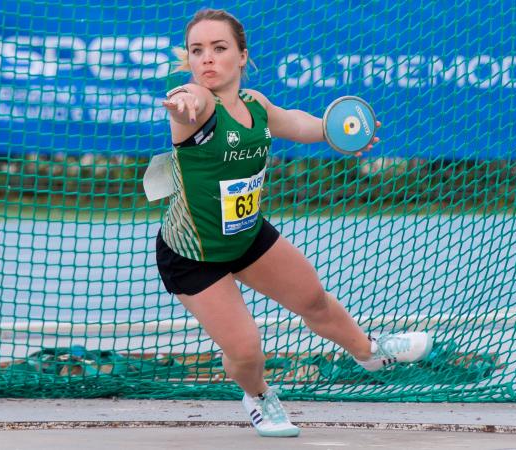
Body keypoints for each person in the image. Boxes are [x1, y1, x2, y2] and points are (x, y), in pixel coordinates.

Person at [155, 8, 432, 438]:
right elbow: (191, 100)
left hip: (247, 235)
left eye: (219, 48)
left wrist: (332, 130)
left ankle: (369, 352)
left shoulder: (256, 106)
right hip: (194, 256)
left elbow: (295, 123)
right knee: (247, 353)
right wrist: (185, 99)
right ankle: (258, 395)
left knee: (315, 300)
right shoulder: (195, 106)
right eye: (197, 50)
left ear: (242, 56)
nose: (207, 58)